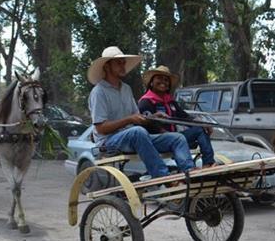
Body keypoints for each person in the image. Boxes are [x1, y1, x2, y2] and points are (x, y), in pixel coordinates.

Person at [87, 46, 195, 182]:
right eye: (118, 63)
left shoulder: (126, 89)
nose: (123, 66)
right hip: (108, 142)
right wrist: (129, 119)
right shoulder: (99, 92)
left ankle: (190, 173)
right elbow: (101, 128)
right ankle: (162, 176)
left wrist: (154, 117)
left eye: (123, 62)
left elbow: (137, 117)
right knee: (138, 131)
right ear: (107, 67)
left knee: (177, 138)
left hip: (134, 137)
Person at [138, 65, 215, 168]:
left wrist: (201, 122)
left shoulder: (170, 101)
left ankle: (208, 163)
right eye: (159, 78)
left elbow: (183, 116)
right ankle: (188, 169)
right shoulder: (146, 101)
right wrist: (168, 134)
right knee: (177, 138)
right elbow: (148, 125)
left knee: (201, 128)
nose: (163, 82)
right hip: (156, 141)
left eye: (166, 80)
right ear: (151, 83)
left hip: (176, 138)